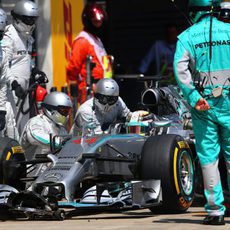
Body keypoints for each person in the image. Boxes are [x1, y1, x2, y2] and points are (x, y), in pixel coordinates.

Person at [174, 0, 230, 225]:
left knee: (208, 158)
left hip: (203, 104)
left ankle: (216, 212)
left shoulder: (186, 37)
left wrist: (195, 98)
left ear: (194, 12)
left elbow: (180, 70)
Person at [2, 0, 39, 135]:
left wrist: (36, 71)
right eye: (28, 20)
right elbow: (4, 66)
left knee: (24, 128)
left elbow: (27, 61)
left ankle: (24, 155)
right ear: (18, 18)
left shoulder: (27, 37)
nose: (31, 24)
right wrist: (14, 84)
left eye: (33, 20)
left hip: (24, 91)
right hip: (10, 91)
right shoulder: (9, 36)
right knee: (11, 128)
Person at [67, 2, 112, 104]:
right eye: (96, 22)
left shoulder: (96, 39)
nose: (99, 25)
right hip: (89, 93)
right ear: (88, 21)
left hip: (103, 90)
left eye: (100, 22)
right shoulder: (82, 40)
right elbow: (73, 70)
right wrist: (75, 94)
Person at [20, 92, 72, 177]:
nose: (66, 114)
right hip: (31, 174)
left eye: (67, 111)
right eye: (63, 110)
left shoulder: (61, 129)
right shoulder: (36, 121)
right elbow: (34, 136)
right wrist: (59, 142)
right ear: (51, 109)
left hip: (52, 173)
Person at [71, 78, 148, 135]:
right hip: (80, 147)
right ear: (96, 96)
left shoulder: (118, 102)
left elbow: (129, 117)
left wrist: (140, 115)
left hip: (106, 141)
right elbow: (96, 138)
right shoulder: (86, 111)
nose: (107, 104)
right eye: (103, 99)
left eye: (111, 100)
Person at [0, 8, 19, 141]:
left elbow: (1, 82)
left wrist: (1, 110)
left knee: (10, 128)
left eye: (1, 33)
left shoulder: (1, 52)